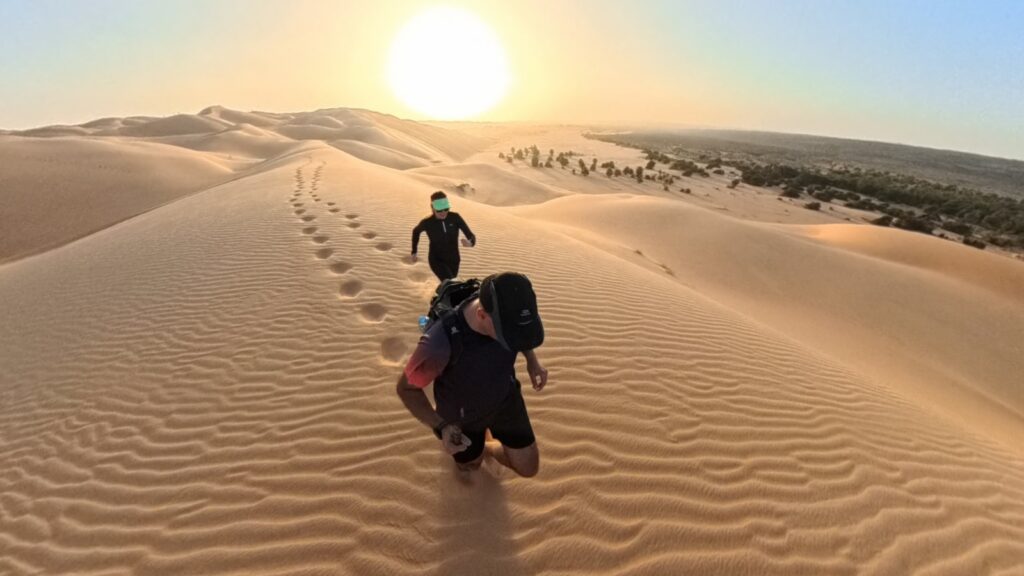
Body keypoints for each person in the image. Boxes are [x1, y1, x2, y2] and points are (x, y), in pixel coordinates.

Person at [396, 272, 548, 477]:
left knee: (528, 468)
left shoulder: (508, 305)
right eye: (507, 335)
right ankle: (477, 452)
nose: (514, 340)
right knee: (470, 466)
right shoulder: (439, 343)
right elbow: (406, 389)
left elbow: (521, 331)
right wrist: (441, 426)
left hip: (504, 398)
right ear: (482, 315)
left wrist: (532, 360)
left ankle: (487, 448)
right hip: (462, 418)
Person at [411, 191, 476, 283]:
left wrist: (471, 243)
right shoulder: (427, 222)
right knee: (450, 282)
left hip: (454, 260)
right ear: (432, 208)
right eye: (439, 210)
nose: (443, 212)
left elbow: (470, 235)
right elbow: (416, 231)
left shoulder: (455, 217)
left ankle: (438, 291)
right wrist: (414, 251)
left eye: (446, 209)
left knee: (450, 284)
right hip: (436, 260)